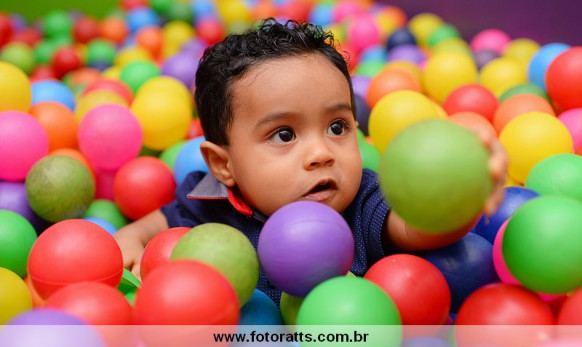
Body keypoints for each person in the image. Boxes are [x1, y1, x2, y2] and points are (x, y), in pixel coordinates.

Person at [114, 18, 507, 305]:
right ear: (223, 166)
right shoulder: (208, 198)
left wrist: (462, 191)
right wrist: (133, 235)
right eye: (284, 135)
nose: (322, 153)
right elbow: (164, 219)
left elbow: (418, 228)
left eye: (337, 127)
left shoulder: (362, 201)